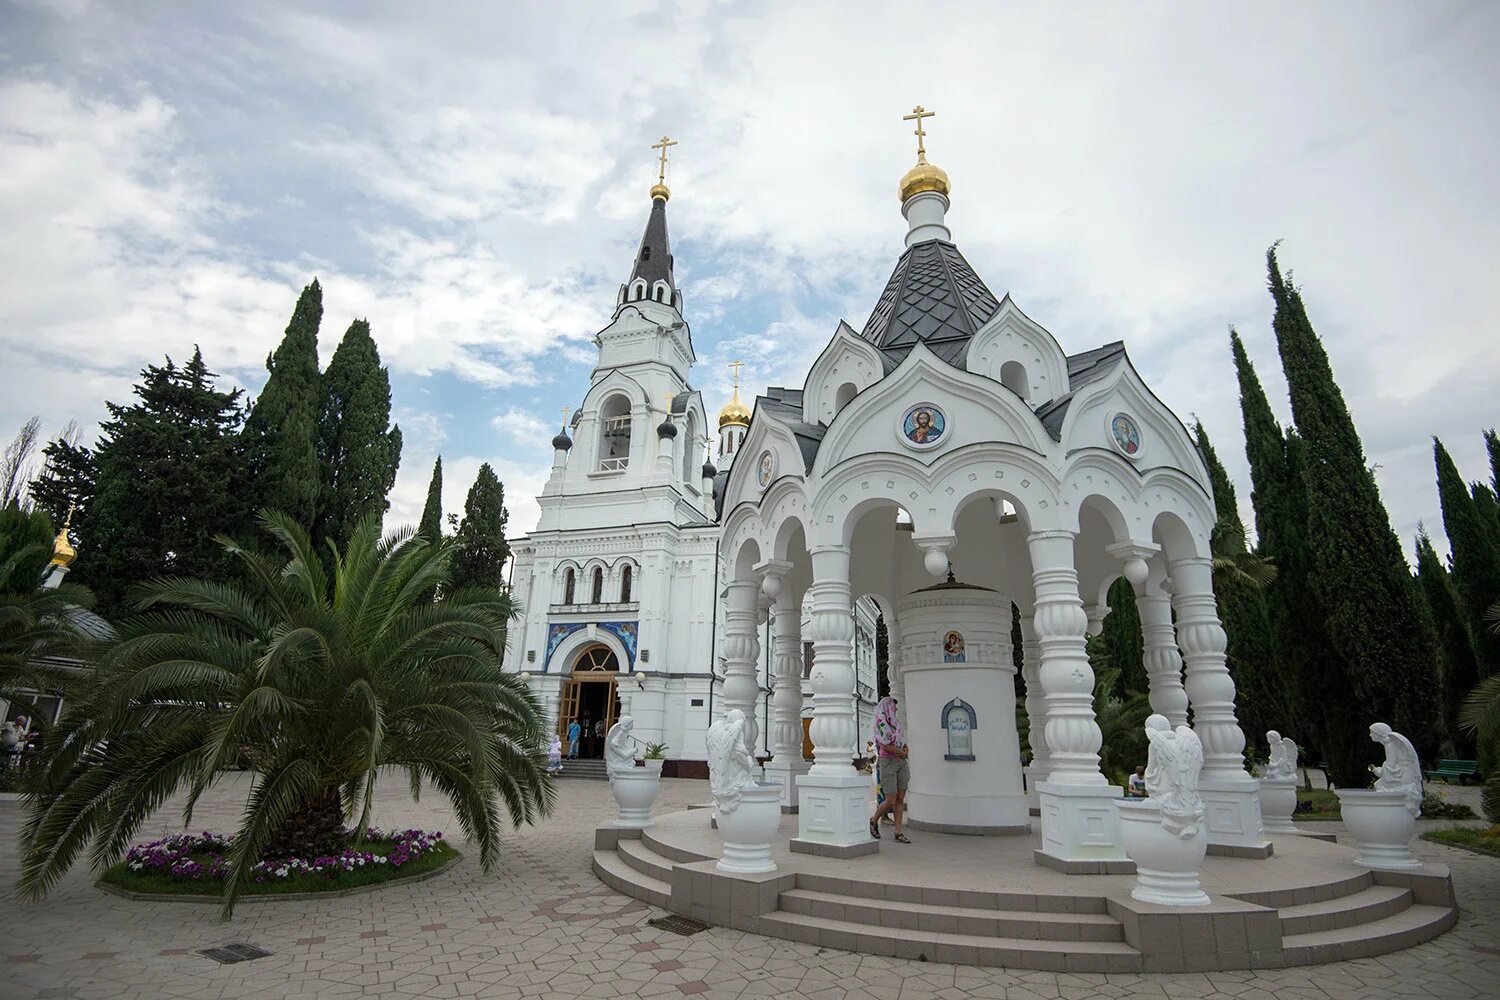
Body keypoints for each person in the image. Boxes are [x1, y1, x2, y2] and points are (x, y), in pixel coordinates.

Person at [868, 696, 911, 843]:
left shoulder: (896, 723)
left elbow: (902, 741)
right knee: (890, 799)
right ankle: (874, 820)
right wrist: (900, 751)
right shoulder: (881, 725)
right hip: (888, 762)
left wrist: (905, 750)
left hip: (901, 762)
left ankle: (898, 832)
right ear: (887, 707)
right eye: (894, 706)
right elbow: (885, 745)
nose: (896, 709)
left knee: (900, 798)